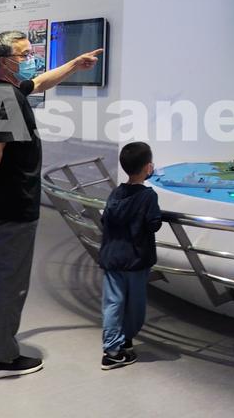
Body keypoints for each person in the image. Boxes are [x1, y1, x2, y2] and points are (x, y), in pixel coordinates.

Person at [0, 30, 102, 379]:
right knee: (10, 279)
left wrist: (73, 65)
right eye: (24, 54)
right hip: (13, 203)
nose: (31, 59)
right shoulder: (5, 97)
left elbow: (38, 83)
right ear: (5, 61)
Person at [98, 142, 162, 370]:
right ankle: (125, 339)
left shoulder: (115, 193)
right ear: (148, 167)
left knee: (112, 303)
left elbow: (106, 219)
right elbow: (154, 224)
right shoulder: (148, 196)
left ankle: (111, 349)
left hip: (112, 257)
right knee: (135, 305)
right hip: (136, 260)